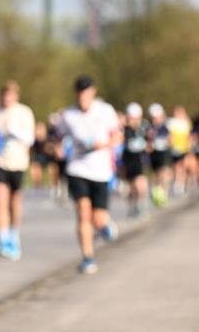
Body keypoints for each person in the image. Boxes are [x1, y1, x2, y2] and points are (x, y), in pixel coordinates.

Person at [55, 75, 122, 275]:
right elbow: (58, 136)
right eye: (79, 92)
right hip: (77, 168)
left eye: (86, 92)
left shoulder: (105, 110)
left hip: (100, 170)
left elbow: (118, 135)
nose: (82, 96)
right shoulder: (68, 115)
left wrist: (104, 145)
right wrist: (57, 148)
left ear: (93, 92)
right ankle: (88, 257)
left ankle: (104, 225)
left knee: (98, 218)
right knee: (83, 212)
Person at [0, 80, 35, 260]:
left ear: (16, 96)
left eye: (10, 95)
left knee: (14, 202)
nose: (7, 99)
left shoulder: (24, 112)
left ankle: (13, 235)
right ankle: (3, 240)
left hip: (18, 162)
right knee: (0, 199)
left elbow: (31, 139)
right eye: (4, 95)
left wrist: (15, 131)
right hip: (0, 161)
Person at [121, 102, 150, 218]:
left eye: (137, 118)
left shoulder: (144, 128)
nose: (135, 121)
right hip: (127, 162)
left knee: (141, 184)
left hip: (140, 161)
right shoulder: (124, 130)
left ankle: (141, 205)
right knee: (131, 187)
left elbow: (151, 142)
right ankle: (132, 206)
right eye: (132, 118)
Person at [146, 103, 172, 207]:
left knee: (165, 173)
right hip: (154, 155)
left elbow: (170, 140)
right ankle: (156, 192)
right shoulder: (148, 127)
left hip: (164, 153)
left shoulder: (165, 127)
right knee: (156, 174)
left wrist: (167, 142)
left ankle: (164, 193)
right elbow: (146, 143)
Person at [167, 105, 193, 196]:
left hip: (184, 148)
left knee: (184, 166)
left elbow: (189, 136)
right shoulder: (171, 122)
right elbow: (170, 136)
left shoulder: (186, 122)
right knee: (177, 166)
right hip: (175, 148)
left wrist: (190, 146)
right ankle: (178, 183)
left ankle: (183, 183)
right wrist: (171, 146)